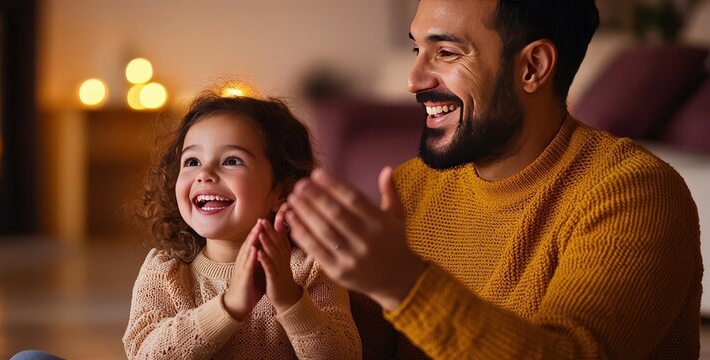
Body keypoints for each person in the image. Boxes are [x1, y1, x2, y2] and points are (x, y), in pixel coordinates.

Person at [285, 0, 702, 358]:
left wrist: (404, 283)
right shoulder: (411, 185)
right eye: (417, 48)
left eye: (446, 52)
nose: (413, 80)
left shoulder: (635, 194)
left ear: (533, 67)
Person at [123, 93, 361, 359]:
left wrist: (290, 299)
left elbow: (346, 354)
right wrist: (229, 305)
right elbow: (144, 355)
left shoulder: (312, 267)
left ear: (282, 191)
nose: (204, 174)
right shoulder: (166, 269)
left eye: (232, 161)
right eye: (192, 162)